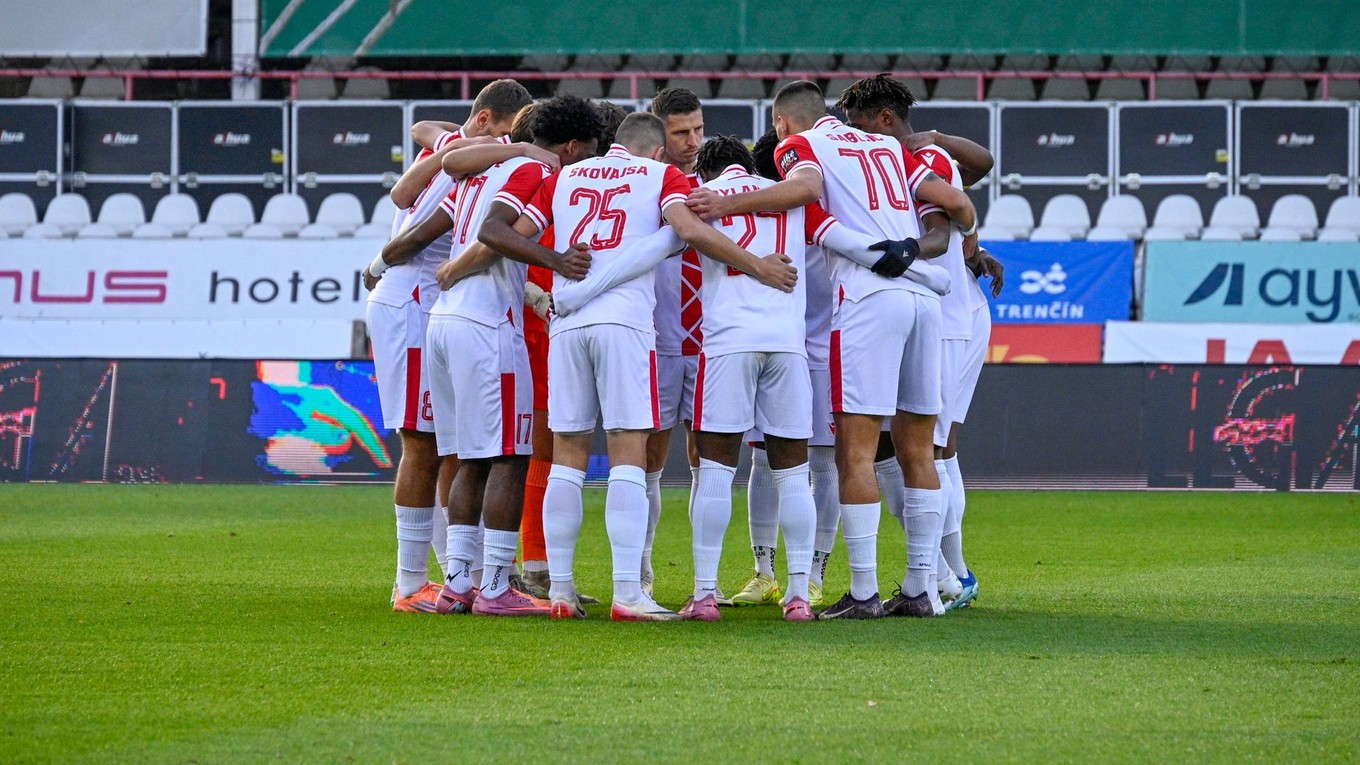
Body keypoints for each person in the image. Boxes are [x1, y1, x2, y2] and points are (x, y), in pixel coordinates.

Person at [480, 112, 797, 621]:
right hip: (625, 325)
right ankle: (628, 592)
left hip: (567, 321)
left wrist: (555, 261)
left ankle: (560, 591)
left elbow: (500, 232)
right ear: (655, 151)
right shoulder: (659, 176)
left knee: (567, 455)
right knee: (628, 450)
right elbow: (688, 229)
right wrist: (756, 264)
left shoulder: (565, 175)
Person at [686, 80, 977, 619]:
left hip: (867, 302)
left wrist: (729, 199)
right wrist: (925, 262)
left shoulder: (801, 149)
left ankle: (863, 591)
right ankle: (923, 587)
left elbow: (809, 206)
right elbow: (958, 205)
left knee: (856, 452)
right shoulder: (890, 147)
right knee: (919, 450)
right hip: (925, 304)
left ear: (781, 126)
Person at [424, 95, 600, 617]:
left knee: (471, 459)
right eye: (586, 153)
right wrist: (556, 260)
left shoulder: (486, 170)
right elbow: (494, 232)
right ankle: (497, 586)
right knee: (509, 455)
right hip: (486, 326)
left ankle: (459, 582)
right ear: (569, 146)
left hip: (447, 319)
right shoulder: (534, 172)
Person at [362, 79, 532, 612]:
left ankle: (470, 574)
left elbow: (424, 138)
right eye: (505, 134)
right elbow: (411, 221)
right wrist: (377, 265)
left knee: (449, 445)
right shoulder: (474, 159)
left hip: (429, 301)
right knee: (424, 445)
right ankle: (410, 584)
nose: (504, 147)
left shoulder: (455, 148)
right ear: (487, 124)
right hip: (413, 297)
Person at [836, 74, 1001, 611]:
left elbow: (962, 192)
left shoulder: (916, 158)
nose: (854, 134)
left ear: (884, 119)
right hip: (932, 310)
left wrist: (963, 236)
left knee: (931, 449)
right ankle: (933, 575)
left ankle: (951, 576)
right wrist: (970, 244)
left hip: (947, 315)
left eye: (860, 122)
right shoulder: (900, 159)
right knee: (900, 447)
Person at [517, 100, 628, 602]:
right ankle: (531, 569)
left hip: (560, 318)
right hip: (542, 320)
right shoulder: (547, 181)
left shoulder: (570, 184)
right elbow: (496, 242)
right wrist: (536, 295)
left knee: (555, 447)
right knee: (546, 446)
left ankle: (537, 569)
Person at [643, 88, 710, 599]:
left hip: (714, 344)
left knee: (709, 460)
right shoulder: (643, 186)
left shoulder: (724, 183)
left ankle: (704, 584)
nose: (693, 142)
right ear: (659, 135)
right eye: (681, 132)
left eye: (699, 130)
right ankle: (641, 572)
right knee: (649, 460)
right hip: (660, 342)